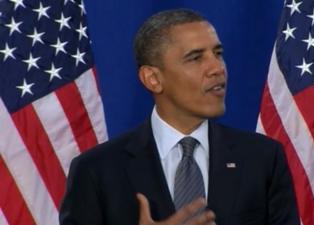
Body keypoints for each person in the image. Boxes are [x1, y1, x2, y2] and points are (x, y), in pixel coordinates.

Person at [59, 9, 300, 225]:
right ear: (153, 78)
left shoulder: (263, 158)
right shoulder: (96, 171)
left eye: (217, 53)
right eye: (196, 58)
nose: (217, 68)